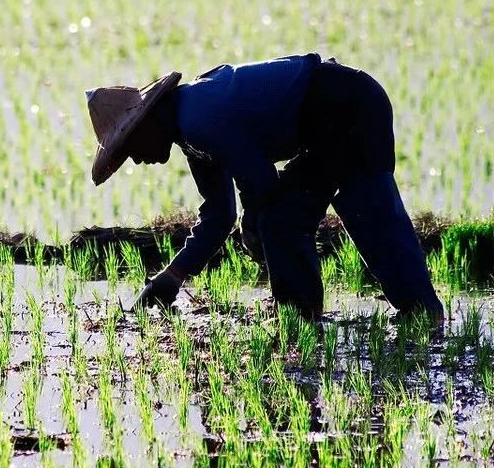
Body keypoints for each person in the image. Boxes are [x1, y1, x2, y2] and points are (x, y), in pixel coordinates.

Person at [84, 53, 443, 322]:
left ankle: (304, 320)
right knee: (315, 212)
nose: (135, 159)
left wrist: (254, 221)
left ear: (146, 123)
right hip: (333, 116)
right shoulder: (189, 134)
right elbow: (219, 215)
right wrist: (172, 276)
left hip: (346, 104)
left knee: (315, 213)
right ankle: (405, 311)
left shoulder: (198, 118)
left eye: (130, 147)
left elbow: (260, 184)